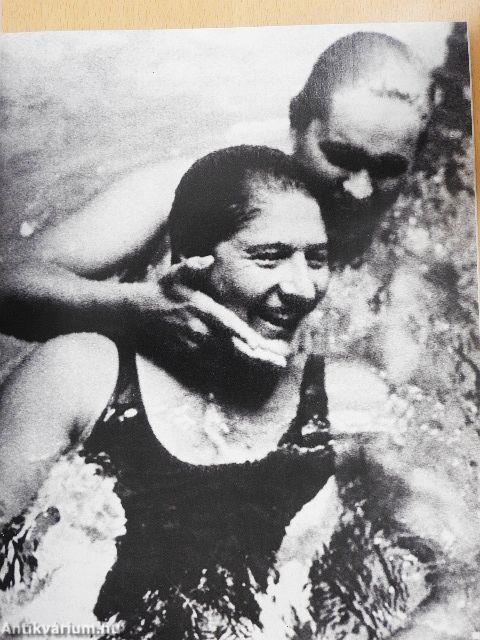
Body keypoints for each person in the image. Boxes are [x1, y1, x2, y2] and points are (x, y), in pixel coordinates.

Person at [0, 147, 437, 639]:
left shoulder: (351, 402)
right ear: (191, 260)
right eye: (269, 257)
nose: (302, 287)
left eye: (317, 259)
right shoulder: (78, 376)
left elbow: (457, 575)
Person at [0, 32, 430, 369]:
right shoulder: (195, 189)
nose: (360, 190)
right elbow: (9, 280)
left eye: (388, 168)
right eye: (341, 156)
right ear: (296, 124)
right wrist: (132, 310)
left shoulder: (404, 257)